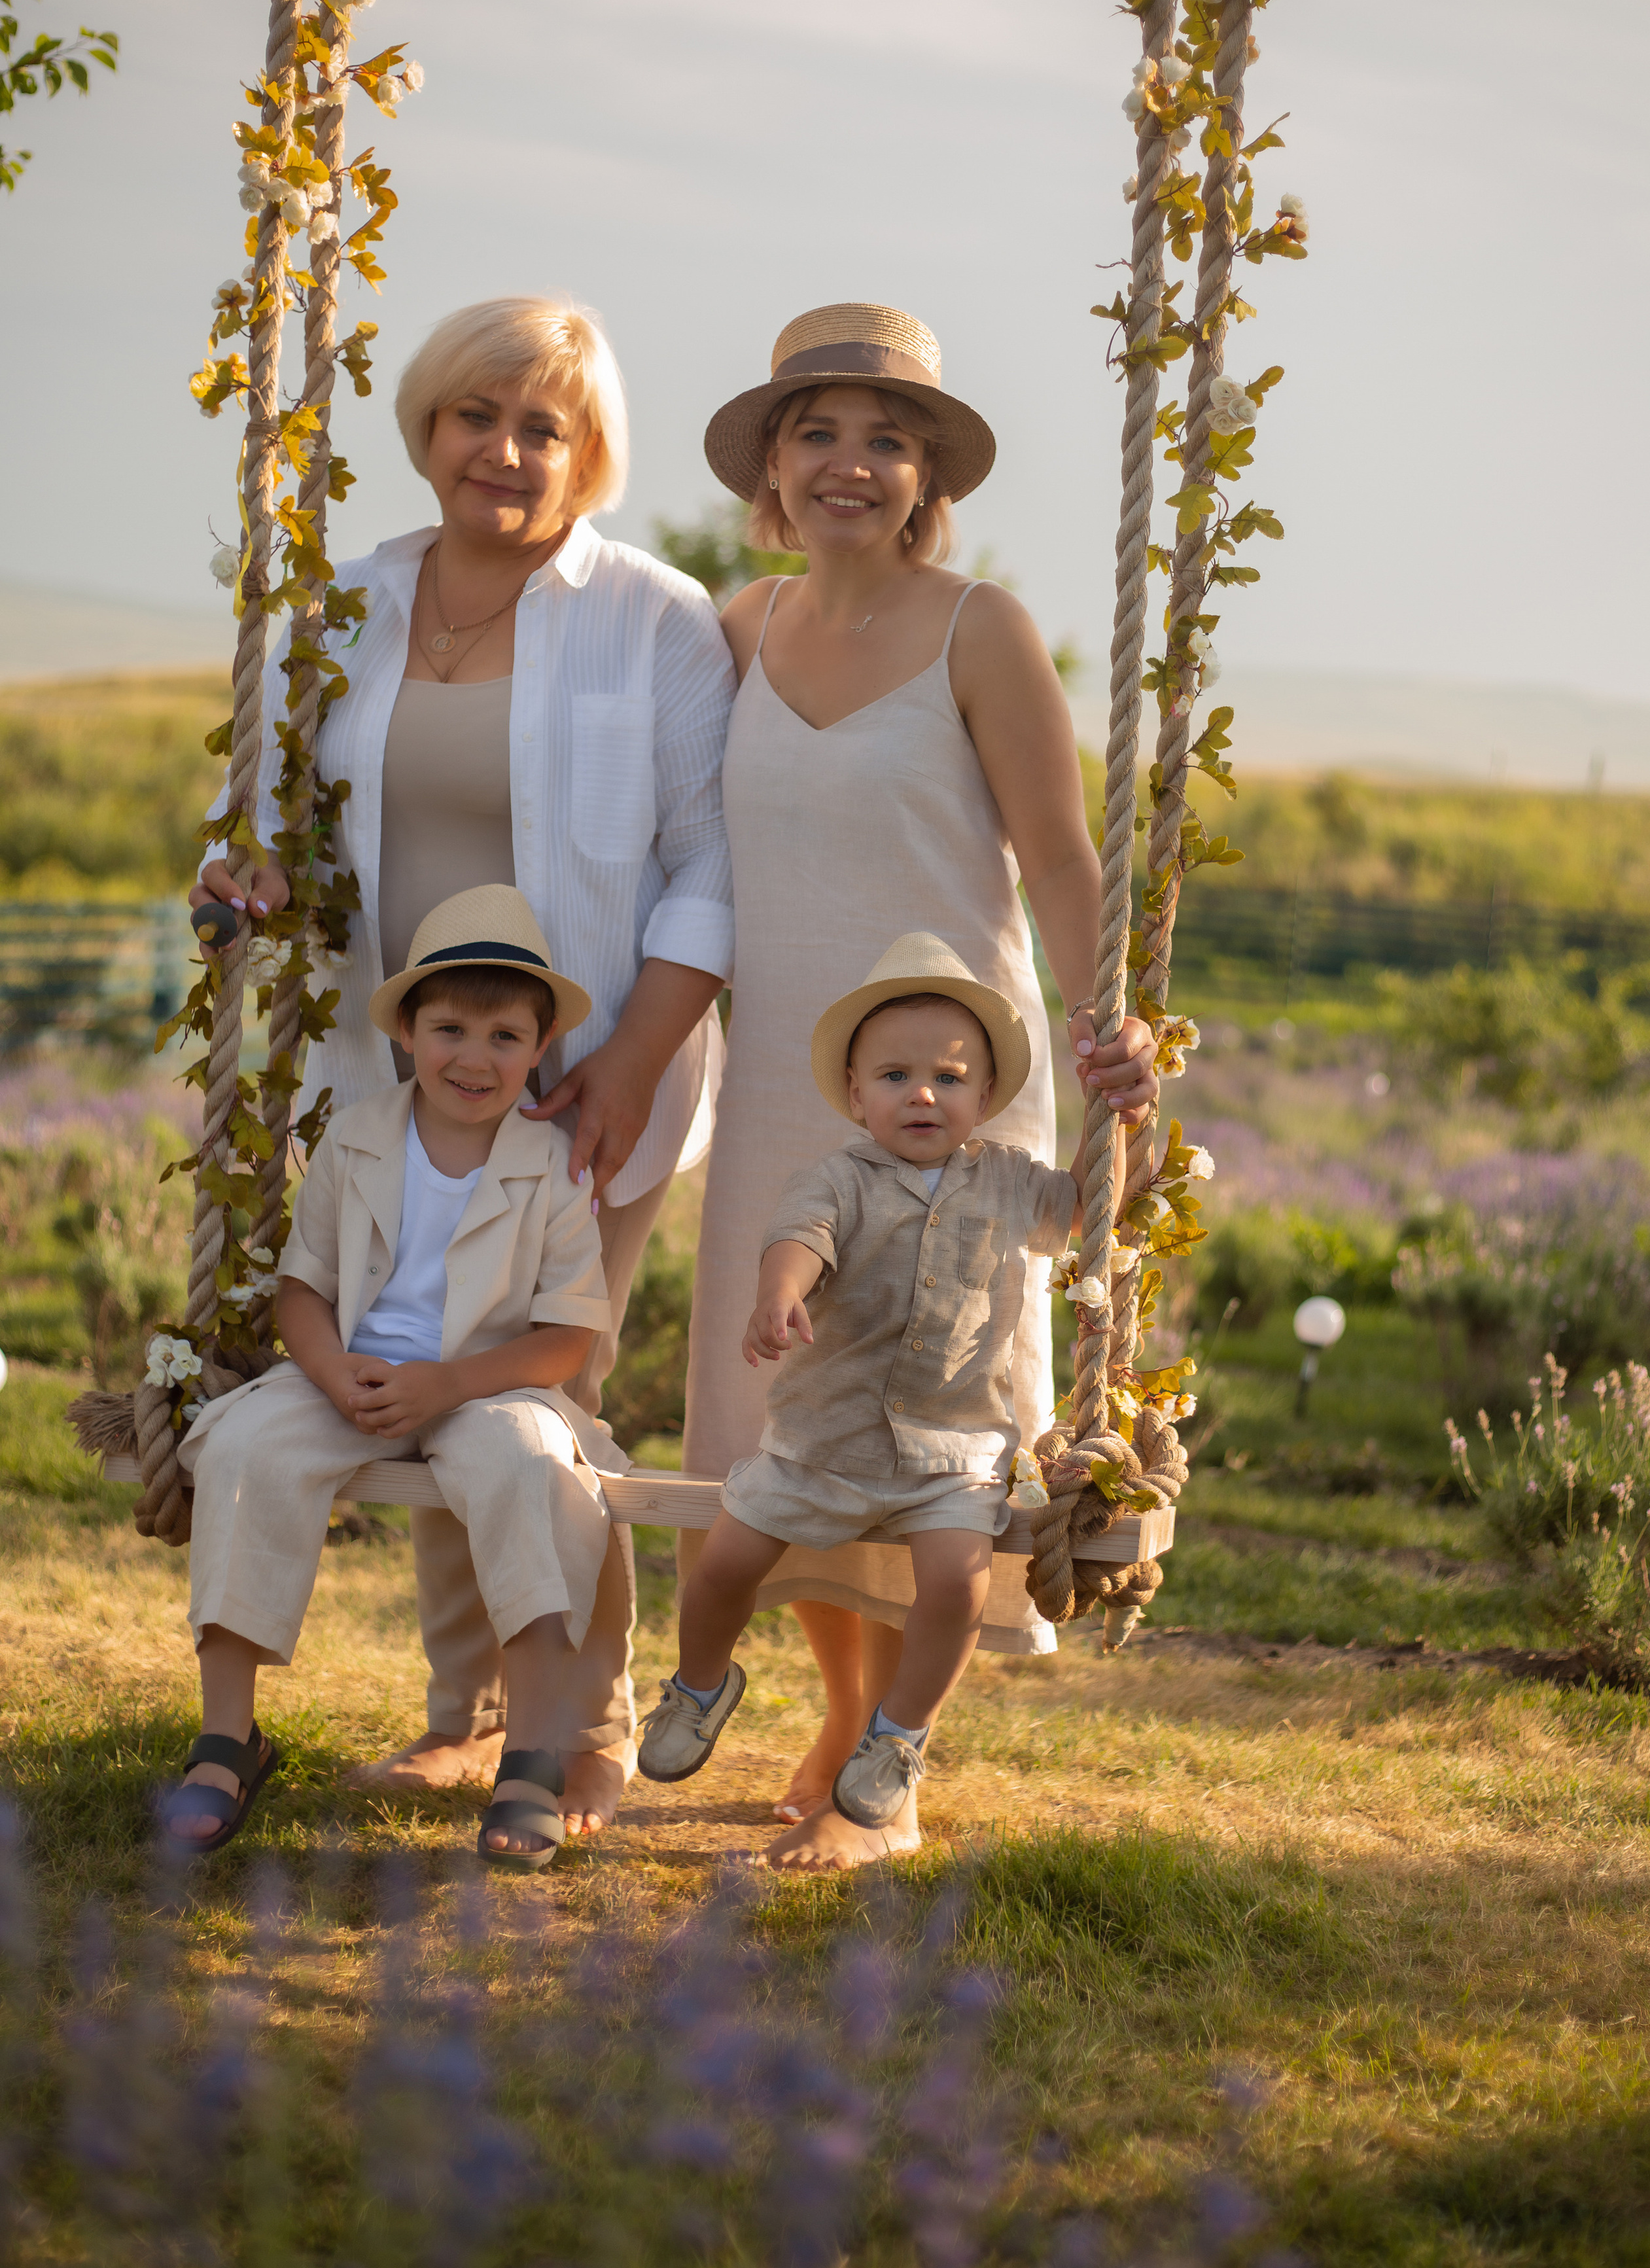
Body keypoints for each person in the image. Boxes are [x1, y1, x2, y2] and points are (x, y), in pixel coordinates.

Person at [189, 296, 736, 1837]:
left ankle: (586, 1729)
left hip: (573, 1083)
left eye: (542, 428)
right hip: (387, 1070)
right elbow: (296, 831)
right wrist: (250, 882)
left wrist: (632, 1054)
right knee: (406, 1357)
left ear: (590, 454)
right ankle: (461, 1716)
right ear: (426, 428)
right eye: (474, 417)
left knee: (536, 1398)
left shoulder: (650, 615)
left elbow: (706, 863)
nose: (503, 452)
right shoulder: (340, 603)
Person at [684, 301, 1159, 1873]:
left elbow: (1059, 859)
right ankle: (832, 1719)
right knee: (791, 1404)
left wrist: (1108, 1045)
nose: (849, 462)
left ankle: (893, 1774)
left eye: (885, 438)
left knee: (934, 1407)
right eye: (815, 431)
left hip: (955, 1080)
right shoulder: (739, 627)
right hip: (780, 1084)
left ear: (924, 476)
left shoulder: (981, 628)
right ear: (769, 461)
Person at [161, 889, 618, 1869]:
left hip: (489, 1385)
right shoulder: (359, 1138)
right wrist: (328, 1375)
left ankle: (531, 1751)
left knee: (534, 1468)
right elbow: (304, 1289)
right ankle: (227, 1737)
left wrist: (450, 1386)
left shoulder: (552, 1166)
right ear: (408, 1031)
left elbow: (565, 1341)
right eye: (450, 1027)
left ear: (539, 1049)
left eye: (506, 1035)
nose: (474, 1056)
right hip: (352, 1372)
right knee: (244, 1445)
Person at [642, 938, 1083, 1835]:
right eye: (894, 1076)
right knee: (722, 1563)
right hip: (820, 1437)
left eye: (950, 1077)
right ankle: (698, 1683)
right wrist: (780, 1294)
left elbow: (1097, 1206)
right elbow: (799, 1239)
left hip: (951, 1449)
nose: (923, 1093)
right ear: (855, 1096)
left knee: (955, 1589)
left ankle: (898, 1735)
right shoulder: (837, 1179)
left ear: (987, 1098)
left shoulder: (1011, 1183)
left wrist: (1131, 1118)